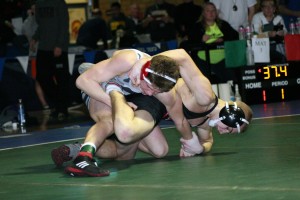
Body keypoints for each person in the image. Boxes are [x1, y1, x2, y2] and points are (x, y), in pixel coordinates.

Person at [52, 48, 252, 173]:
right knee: (113, 124)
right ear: (230, 116)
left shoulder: (202, 122)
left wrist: (198, 148)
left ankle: (78, 148)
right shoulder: (205, 96)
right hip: (114, 87)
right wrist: (143, 63)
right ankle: (85, 156)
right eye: (230, 129)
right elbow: (181, 55)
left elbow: (203, 138)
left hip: (146, 98)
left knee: (139, 153)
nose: (225, 132)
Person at [62, 49, 181, 177]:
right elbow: (82, 81)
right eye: (150, 87)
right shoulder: (127, 61)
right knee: (109, 121)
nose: (151, 93)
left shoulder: (160, 82)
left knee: (159, 151)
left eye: (157, 91)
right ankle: (83, 158)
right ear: (144, 74)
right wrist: (112, 100)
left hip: (123, 94)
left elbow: (179, 117)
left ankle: (83, 146)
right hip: (98, 85)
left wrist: (189, 138)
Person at [31, 0, 70, 120]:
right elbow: (41, 25)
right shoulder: (39, 3)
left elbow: (64, 24)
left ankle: (62, 109)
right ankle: (59, 103)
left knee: (61, 79)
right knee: (42, 78)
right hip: (43, 47)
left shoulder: (59, 2)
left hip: (58, 48)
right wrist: (35, 38)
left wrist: (59, 44)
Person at [183, 2, 238, 83]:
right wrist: (201, 39)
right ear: (203, 13)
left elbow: (235, 35)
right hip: (203, 59)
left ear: (216, 12)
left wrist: (222, 39)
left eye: (213, 10)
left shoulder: (223, 25)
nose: (211, 13)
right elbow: (190, 40)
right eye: (208, 11)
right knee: (204, 82)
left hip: (222, 58)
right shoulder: (197, 26)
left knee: (232, 80)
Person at [22, 2, 49, 111]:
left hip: (39, 53)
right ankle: (46, 104)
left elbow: (25, 33)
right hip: (38, 54)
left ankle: (46, 104)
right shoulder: (35, 22)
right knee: (40, 79)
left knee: (41, 79)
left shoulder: (28, 22)